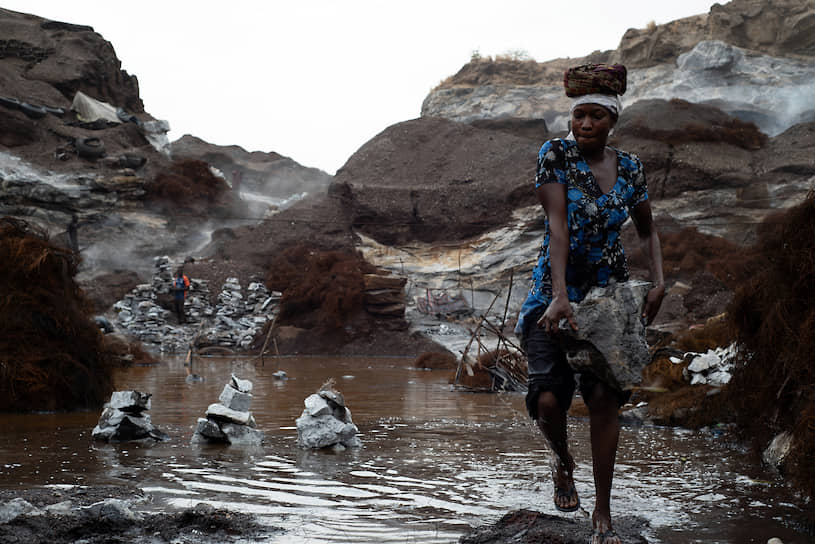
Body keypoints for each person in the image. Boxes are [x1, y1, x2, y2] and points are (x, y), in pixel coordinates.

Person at [515, 63, 665, 544]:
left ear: (612, 121)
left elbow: (647, 228)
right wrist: (559, 297)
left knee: (604, 399)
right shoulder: (554, 155)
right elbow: (557, 228)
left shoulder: (632, 167)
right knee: (547, 397)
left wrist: (659, 281)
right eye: (578, 115)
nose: (583, 125)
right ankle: (562, 463)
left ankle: (602, 508)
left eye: (595, 117)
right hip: (552, 289)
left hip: (609, 295)